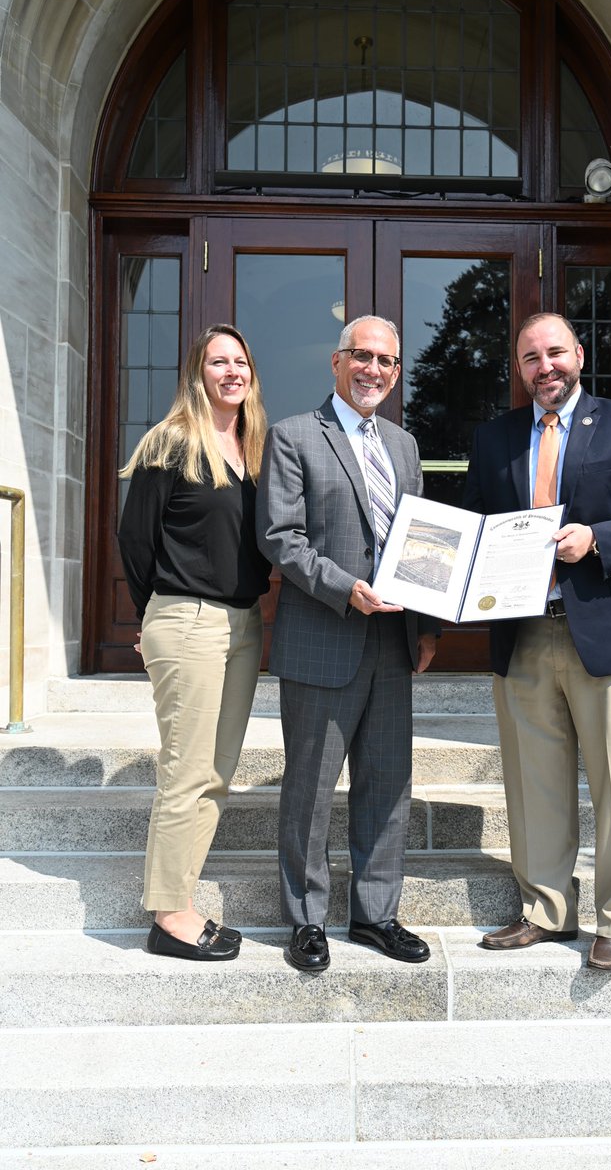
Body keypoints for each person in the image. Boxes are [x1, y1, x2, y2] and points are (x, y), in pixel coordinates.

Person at [463, 312, 611, 971]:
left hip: (607, 637)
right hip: (524, 637)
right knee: (536, 785)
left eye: (555, 352)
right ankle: (546, 910)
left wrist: (599, 540)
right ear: (520, 369)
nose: (545, 366)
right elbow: (475, 533)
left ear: (579, 355)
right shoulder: (495, 437)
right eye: (531, 357)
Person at [257, 315, 438, 973]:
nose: (374, 370)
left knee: (387, 784)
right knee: (309, 788)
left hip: (393, 641)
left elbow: (422, 546)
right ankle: (306, 919)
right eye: (362, 356)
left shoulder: (405, 443)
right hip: (324, 636)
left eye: (387, 361)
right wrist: (347, 588)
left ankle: (375, 914)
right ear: (337, 362)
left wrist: (428, 628)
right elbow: (281, 537)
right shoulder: (294, 436)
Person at [118, 323, 271, 962]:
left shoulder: (254, 446)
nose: (231, 371)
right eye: (218, 361)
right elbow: (135, 541)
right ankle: (169, 914)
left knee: (216, 772)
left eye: (240, 360)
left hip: (243, 625)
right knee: (186, 770)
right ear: (197, 372)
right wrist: (155, 618)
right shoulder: (172, 442)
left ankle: (180, 899)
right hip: (189, 621)